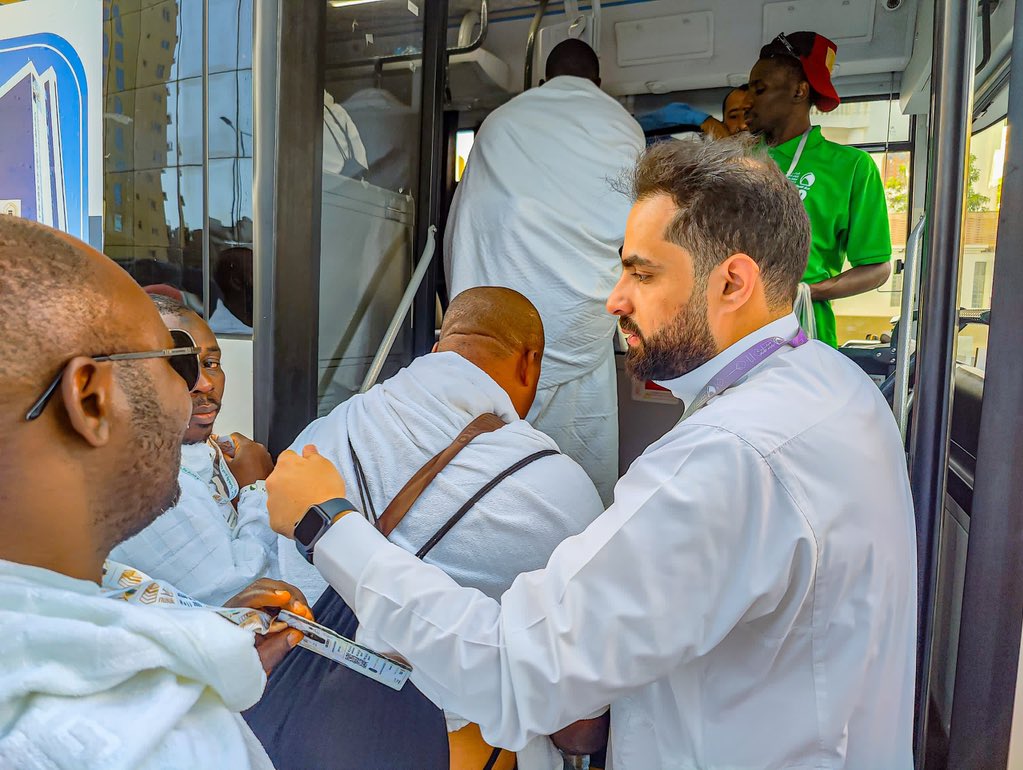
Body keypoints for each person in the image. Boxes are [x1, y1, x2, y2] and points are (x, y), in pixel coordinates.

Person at [266, 137, 917, 768]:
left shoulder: (728, 458)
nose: (615, 300)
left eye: (642, 272)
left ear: (732, 283)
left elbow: (512, 667)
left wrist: (327, 523)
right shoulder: (840, 387)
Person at [0, 216, 308, 768]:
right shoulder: (158, 742)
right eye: (177, 363)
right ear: (90, 401)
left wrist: (203, 631)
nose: (196, 388)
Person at [274, 286, 607, 770]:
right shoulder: (561, 490)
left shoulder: (317, 439)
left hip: (303, 724)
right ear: (529, 363)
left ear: (437, 349)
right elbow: (578, 726)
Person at [444, 38, 645, 505]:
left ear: (542, 81)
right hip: (581, 328)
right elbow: (631, 233)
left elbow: (468, 222)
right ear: (598, 83)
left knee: (493, 470)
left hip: (500, 337)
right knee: (579, 459)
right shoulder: (624, 128)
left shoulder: (501, 122)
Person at [110, 295, 277, 606]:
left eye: (211, 364)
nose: (203, 383)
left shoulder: (208, 455)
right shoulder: (148, 484)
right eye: (179, 367)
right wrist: (256, 488)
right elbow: (250, 598)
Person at [746, 31, 892, 347]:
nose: (748, 100)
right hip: (729, 327)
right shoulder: (733, 161)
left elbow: (877, 268)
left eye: (759, 89)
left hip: (802, 329)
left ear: (799, 92)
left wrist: (809, 291)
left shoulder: (850, 167)